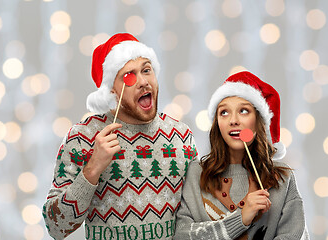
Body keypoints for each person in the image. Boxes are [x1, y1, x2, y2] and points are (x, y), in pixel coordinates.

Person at [42, 33, 198, 240]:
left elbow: (197, 216)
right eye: (129, 76)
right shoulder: (81, 137)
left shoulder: (181, 136)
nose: (143, 82)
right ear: (112, 90)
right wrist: (92, 169)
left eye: (146, 70)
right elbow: (56, 227)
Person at [174, 71, 309, 239]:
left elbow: (294, 235)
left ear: (259, 121)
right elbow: (182, 235)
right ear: (217, 123)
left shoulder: (283, 178)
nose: (233, 120)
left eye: (244, 111)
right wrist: (241, 219)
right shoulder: (196, 173)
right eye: (224, 112)